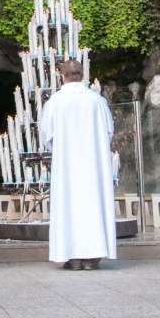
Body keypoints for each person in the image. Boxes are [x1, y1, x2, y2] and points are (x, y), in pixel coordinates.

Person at [40, 59, 116, 270]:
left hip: (67, 165)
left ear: (62, 76)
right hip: (94, 164)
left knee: (68, 204)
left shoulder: (55, 101)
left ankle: (71, 256)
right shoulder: (97, 101)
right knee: (93, 203)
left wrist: (61, 150)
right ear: (83, 75)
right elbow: (109, 131)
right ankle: (92, 257)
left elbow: (47, 136)